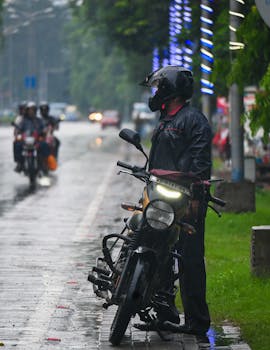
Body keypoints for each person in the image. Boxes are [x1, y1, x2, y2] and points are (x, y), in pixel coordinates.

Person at [140, 65, 212, 336]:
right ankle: (164, 312)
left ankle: (197, 322)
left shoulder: (193, 120)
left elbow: (201, 162)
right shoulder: (165, 119)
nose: (155, 93)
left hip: (186, 199)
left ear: (170, 90)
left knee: (190, 259)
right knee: (156, 253)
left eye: (159, 88)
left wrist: (195, 196)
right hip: (160, 195)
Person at [13, 101, 50, 173]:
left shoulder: (39, 120)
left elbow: (44, 128)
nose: (31, 112)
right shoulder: (23, 121)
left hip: (37, 140)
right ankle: (19, 163)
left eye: (33, 110)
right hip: (26, 140)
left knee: (45, 145)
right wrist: (17, 132)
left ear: (35, 111)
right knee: (16, 144)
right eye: (29, 110)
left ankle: (44, 163)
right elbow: (19, 129)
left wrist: (44, 131)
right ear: (27, 111)